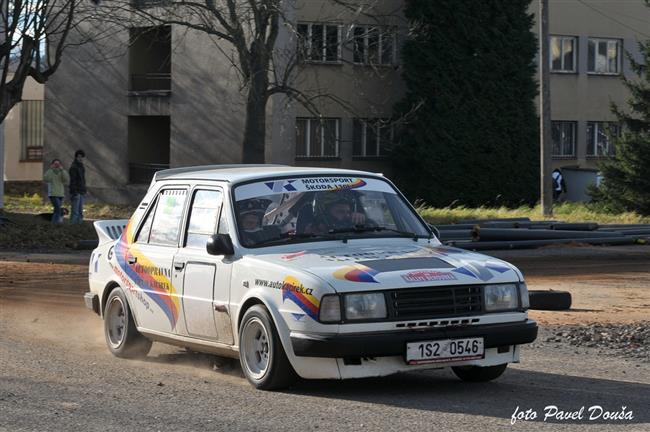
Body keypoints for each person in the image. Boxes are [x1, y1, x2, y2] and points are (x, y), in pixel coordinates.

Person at [43, 159, 69, 224]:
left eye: (58, 164)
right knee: (58, 210)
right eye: (55, 164)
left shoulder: (62, 172)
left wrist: (62, 170)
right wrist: (50, 169)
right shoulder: (50, 172)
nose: (56, 165)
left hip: (60, 194)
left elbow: (66, 179)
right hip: (53, 194)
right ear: (52, 164)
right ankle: (56, 223)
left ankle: (55, 223)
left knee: (56, 210)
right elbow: (46, 179)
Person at [69, 150, 87, 224]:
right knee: (75, 212)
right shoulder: (73, 167)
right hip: (76, 192)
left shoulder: (81, 167)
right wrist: (74, 192)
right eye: (79, 157)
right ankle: (73, 227)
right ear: (76, 157)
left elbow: (83, 180)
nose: (80, 158)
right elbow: (73, 181)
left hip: (82, 191)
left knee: (80, 211)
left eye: (82, 157)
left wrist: (84, 189)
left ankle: (79, 227)